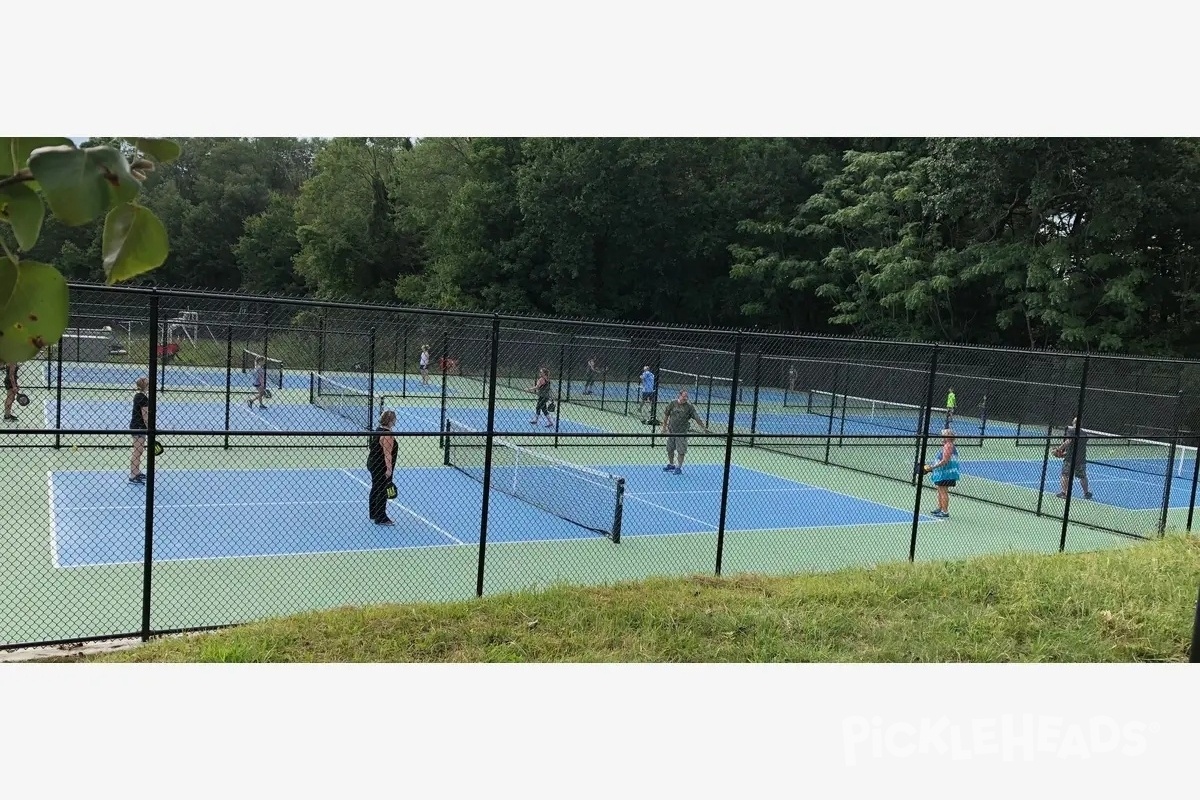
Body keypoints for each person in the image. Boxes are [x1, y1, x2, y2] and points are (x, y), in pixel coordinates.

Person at [661, 388, 708, 475]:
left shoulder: (689, 407)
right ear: (679, 395)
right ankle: (671, 465)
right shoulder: (672, 403)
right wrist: (664, 427)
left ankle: (679, 467)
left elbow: (697, 417)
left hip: (682, 432)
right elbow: (666, 415)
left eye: (687, 397)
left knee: (681, 451)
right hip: (671, 431)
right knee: (669, 449)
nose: (685, 398)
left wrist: (703, 428)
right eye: (684, 396)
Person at [368, 410, 398, 525]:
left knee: (375, 487)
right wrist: (389, 469)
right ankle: (381, 517)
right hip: (381, 466)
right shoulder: (387, 435)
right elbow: (387, 454)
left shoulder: (378, 430)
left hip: (373, 463)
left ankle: (373, 512)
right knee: (382, 490)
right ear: (391, 421)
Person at [923, 428, 961, 518]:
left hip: (946, 473)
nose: (941, 436)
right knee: (940, 490)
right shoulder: (946, 445)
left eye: (943, 434)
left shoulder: (948, 445)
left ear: (947, 437)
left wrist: (933, 467)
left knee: (943, 491)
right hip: (942, 473)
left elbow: (945, 461)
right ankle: (940, 508)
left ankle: (945, 512)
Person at [1056, 417, 1093, 500]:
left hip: (1070, 459)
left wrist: (1059, 449)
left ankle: (1064, 493)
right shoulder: (1084, 433)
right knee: (1083, 476)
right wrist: (1065, 453)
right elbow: (1078, 446)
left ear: (1073, 422)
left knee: (1065, 474)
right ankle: (1086, 493)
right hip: (1081, 459)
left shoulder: (1071, 430)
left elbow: (1068, 441)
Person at [129, 377, 150, 485]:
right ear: (145, 386)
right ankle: (133, 475)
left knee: (139, 451)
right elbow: (145, 415)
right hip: (139, 427)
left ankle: (136, 471)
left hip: (137, 426)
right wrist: (149, 428)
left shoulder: (139, 396)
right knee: (137, 451)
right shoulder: (143, 398)